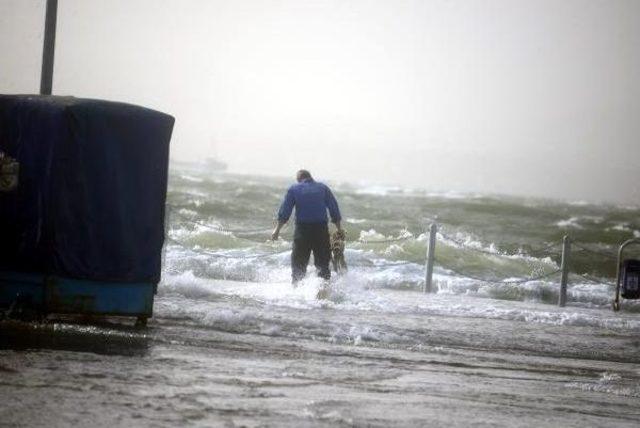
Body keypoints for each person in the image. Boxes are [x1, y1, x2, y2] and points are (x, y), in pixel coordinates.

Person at [272, 169, 342, 283]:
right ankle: (323, 293)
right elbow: (334, 208)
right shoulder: (323, 188)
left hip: (302, 232)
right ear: (311, 177)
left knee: (298, 265)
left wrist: (277, 230)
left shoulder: (294, 189)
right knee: (323, 265)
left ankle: (296, 291)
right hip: (321, 231)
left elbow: (285, 211)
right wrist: (339, 229)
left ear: (299, 179)